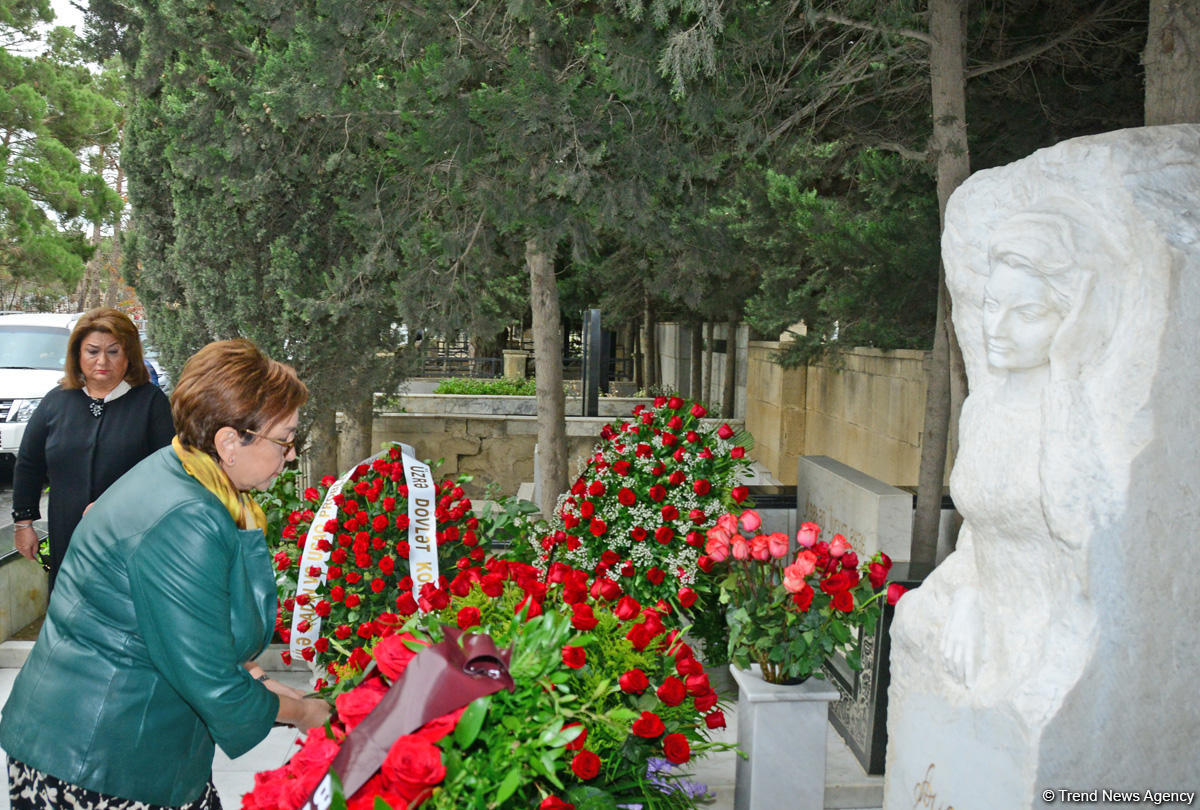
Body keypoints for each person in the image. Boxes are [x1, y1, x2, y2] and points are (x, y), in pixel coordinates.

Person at [0, 338, 331, 810]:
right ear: (229, 442)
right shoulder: (186, 517)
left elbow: (193, 634)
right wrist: (303, 711)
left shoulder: (185, 472)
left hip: (115, 743)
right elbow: (210, 679)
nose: (292, 455)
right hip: (98, 761)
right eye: (285, 439)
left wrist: (258, 679)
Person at [11, 308, 174, 590]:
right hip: (67, 536)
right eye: (92, 351)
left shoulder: (151, 403)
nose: (102, 361)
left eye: (113, 351)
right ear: (77, 354)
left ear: (129, 356)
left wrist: (120, 504)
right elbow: (29, 464)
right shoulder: (56, 401)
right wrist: (23, 523)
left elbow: (168, 471)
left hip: (130, 539)